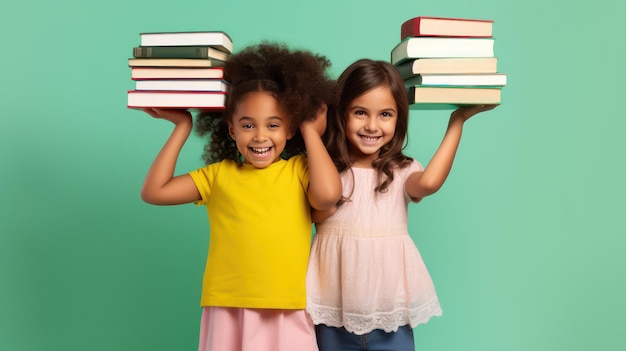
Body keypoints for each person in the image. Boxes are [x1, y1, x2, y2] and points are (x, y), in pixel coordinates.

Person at [140, 42, 341, 351]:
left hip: (288, 305)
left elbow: (328, 197)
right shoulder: (218, 176)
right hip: (227, 306)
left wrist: (311, 133)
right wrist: (182, 125)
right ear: (231, 129)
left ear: (290, 128)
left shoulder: (299, 170)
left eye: (273, 125)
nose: (260, 136)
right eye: (247, 125)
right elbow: (154, 192)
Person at [305, 58, 497, 351]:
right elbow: (315, 205)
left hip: (390, 320)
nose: (372, 125)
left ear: (399, 119)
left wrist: (457, 121)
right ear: (340, 113)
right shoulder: (326, 172)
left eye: (385, 114)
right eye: (359, 112)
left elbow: (429, 183)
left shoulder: (400, 170)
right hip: (331, 314)